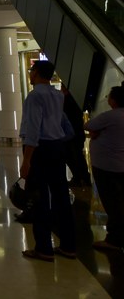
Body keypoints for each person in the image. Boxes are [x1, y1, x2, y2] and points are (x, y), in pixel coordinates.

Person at [19, 61, 76, 261]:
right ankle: (68, 245)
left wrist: (27, 160)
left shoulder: (35, 96)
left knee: (39, 197)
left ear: (36, 73)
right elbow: (63, 123)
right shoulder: (57, 95)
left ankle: (43, 248)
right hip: (56, 147)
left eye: (31, 71)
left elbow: (33, 128)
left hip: (40, 149)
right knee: (61, 195)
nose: (30, 74)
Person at [85, 86, 124, 252]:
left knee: (112, 202)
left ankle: (115, 239)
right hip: (120, 165)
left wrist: (98, 132)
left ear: (113, 100)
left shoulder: (110, 116)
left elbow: (88, 125)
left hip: (107, 166)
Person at [63, 85, 91, 187]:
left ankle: (80, 177)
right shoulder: (76, 100)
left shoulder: (67, 101)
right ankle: (82, 178)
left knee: (73, 156)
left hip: (71, 133)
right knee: (76, 156)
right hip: (77, 132)